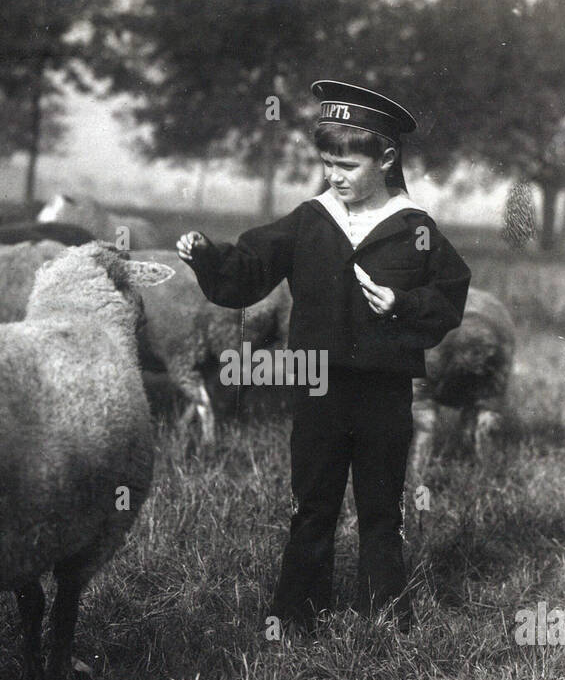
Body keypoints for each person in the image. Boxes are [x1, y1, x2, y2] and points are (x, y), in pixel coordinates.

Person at [176, 80, 470, 634]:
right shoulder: (311, 219)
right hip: (317, 385)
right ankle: (297, 614)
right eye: (327, 162)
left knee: (381, 508)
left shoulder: (416, 230)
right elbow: (249, 269)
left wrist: (403, 304)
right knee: (313, 505)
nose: (334, 175)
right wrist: (207, 256)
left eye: (347, 165)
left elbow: (450, 294)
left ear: (385, 159)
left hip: (384, 391)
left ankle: (385, 614)